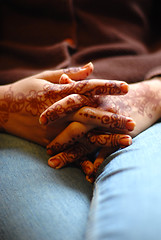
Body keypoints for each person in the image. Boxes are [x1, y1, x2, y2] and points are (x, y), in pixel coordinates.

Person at [1, 1, 161, 240]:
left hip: (142, 110)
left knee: (136, 224)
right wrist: (6, 103)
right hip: (17, 127)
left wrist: (153, 95)